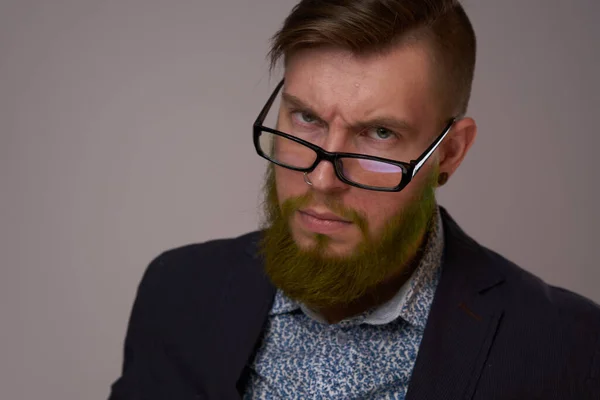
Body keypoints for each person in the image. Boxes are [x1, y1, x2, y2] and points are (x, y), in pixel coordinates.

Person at [108, 1, 600, 399]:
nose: (322, 178)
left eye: (379, 133)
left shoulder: (569, 348)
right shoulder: (175, 294)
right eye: (306, 119)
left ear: (449, 152)